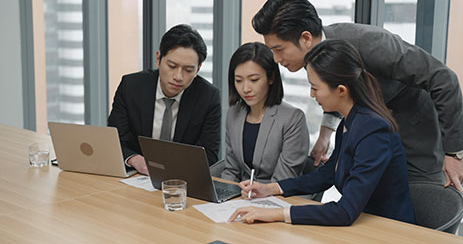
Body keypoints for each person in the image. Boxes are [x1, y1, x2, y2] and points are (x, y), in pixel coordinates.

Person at [252, 0, 463, 192]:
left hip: (414, 141)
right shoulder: (317, 57)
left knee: (419, 216)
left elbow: (443, 78)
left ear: (306, 38)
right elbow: (340, 90)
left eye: (278, 49)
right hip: (371, 140)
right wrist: (326, 133)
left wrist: (455, 152)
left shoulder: (371, 44)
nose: (276, 59)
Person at [228, 39, 416, 226]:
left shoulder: (373, 130)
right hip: (363, 223)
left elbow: (345, 211)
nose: (312, 94)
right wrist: (270, 189)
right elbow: (327, 175)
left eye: (315, 87)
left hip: (388, 230)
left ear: (341, 90)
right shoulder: (350, 122)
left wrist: (276, 213)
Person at [108, 24, 221, 175]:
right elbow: (114, 139)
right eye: (172, 66)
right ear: (158, 59)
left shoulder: (208, 97)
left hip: (182, 180)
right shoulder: (131, 87)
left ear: (198, 69)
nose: (178, 77)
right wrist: (135, 159)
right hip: (135, 177)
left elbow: (209, 155)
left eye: (188, 70)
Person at [221, 42, 309, 183]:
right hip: (240, 196)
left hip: (276, 198)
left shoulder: (292, 118)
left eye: (254, 80)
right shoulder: (234, 114)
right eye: (238, 80)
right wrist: (223, 195)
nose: (245, 89)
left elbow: (284, 179)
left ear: (271, 78)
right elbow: (231, 170)